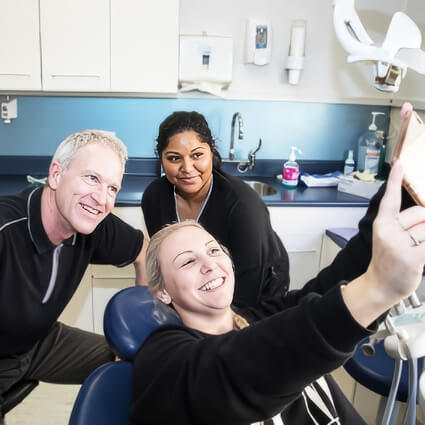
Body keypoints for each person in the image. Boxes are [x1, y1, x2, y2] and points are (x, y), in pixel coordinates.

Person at [131, 161, 425, 425]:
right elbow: (232, 371)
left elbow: (340, 281)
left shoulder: (259, 317)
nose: (209, 264)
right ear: (162, 292)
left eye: (213, 250)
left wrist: (409, 181)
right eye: (188, 261)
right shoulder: (162, 358)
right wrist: (376, 288)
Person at [0, 130, 148, 423]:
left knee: (141, 361)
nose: (101, 199)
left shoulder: (93, 224)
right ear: (56, 175)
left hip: (40, 340)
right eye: (92, 178)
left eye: (112, 188)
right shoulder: (6, 231)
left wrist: (138, 329)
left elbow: (143, 252)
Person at [141, 111, 290, 308]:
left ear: (211, 152)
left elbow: (248, 286)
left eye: (197, 155)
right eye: (174, 158)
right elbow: (167, 267)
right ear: (161, 159)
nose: (187, 167)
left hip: (258, 291)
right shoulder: (154, 198)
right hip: (202, 290)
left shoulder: (243, 205)